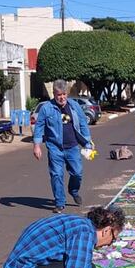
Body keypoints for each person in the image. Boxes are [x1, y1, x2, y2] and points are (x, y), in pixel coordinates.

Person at [33, 80, 93, 213]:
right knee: (56, 175)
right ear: (54, 94)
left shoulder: (74, 106)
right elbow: (39, 127)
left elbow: (83, 123)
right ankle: (60, 203)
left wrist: (87, 142)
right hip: (55, 148)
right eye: (59, 94)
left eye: (64, 94)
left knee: (77, 173)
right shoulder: (46, 108)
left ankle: (73, 190)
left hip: (72, 147)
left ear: (67, 93)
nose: (62, 97)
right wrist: (36, 146)